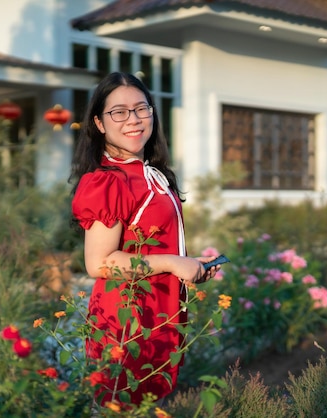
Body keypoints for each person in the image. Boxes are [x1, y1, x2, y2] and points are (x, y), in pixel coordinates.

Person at [70, 72, 220, 406]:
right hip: (127, 322)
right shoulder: (110, 181)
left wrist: (188, 265)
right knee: (122, 406)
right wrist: (171, 262)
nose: (134, 119)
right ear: (98, 122)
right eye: (119, 112)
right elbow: (100, 263)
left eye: (141, 108)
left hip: (159, 315)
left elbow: (151, 244)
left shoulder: (149, 173)